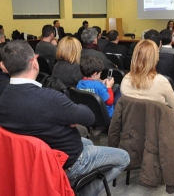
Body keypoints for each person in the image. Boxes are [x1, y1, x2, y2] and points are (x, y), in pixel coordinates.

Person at [0, 40, 129, 195]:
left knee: (87, 142)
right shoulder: (49, 98)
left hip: (32, 161)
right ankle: (82, 192)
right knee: (124, 158)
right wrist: (68, 117)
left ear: (5, 67)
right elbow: (89, 117)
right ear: (34, 62)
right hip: (68, 161)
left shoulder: (5, 96)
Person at [120, 39, 174, 172]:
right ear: (155, 58)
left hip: (134, 128)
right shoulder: (162, 81)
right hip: (159, 130)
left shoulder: (125, 79)